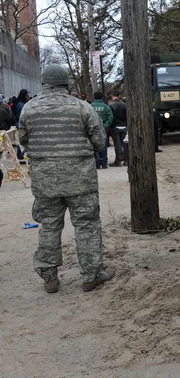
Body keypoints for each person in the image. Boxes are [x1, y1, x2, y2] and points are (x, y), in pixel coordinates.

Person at [18, 64, 114, 294]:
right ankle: (91, 275)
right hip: (81, 180)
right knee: (87, 225)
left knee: (49, 226)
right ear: (66, 83)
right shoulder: (82, 107)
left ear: (44, 83)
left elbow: (24, 141)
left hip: (45, 181)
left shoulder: (29, 109)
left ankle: (49, 277)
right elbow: (99, 141)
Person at [91, 91, 113, 169]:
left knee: (94, 146)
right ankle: (104, 163)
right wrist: (105, 126)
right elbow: (110, 117)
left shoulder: (90, 106)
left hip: (93, 129)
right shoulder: (106, 107)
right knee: (103, 146)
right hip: (103, 129)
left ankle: (97, 163)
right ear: (102, 97)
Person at [109, 89, 127, 167]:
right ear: (119, 96)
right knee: (125, 144)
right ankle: (126, 160)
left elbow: (110, 117)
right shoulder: (125, 105)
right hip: (124, 126)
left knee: (117, 144)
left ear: (112, 95)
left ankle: (118, 160)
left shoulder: (111, 106)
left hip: (115, 126)